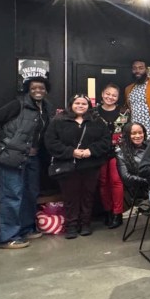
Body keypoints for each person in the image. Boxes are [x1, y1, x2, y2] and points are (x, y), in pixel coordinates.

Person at [0, 77, 54, 249]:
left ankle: (26, 229)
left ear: (46, 90)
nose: (38, 90)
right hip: (11, 156)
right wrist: (7, 142)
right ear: (28, 89)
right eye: (34, 88)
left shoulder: (47, 108)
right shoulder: (17, 104)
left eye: (41, 88)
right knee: (12, 195)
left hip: (32, 157)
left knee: (30, 194)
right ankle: (7, 237)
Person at [44, 94, 111, 239]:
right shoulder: (59, 120)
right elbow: (51, 142)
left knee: (88, 196)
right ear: (71, 105)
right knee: (70, 197)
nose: (80, 106)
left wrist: (91, 151)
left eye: (84, 104)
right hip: (67, 165)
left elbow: (106, 140)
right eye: (77, 103)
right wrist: (71, 152)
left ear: (89, 106)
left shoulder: (97, 121)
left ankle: (85, 224)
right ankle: (71, 226)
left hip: (90, 165)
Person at [96, 83, 130, 229]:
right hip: (99, 151)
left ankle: (117, 213)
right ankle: (107, 211)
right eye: (108, 94)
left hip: (118, 151)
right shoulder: (93, 112)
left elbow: (129, 131)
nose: (110, 97)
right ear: (102, 94)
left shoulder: (124, 112)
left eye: (114, 95)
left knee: (116, 181)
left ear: (118, 97)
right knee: (103, 182)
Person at [115, 122, 150, 208]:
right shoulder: (121, 153)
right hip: (140, 192)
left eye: (140, 132)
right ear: (127, 135)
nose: (138, 136)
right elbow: (126, 178)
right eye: (133, 133)